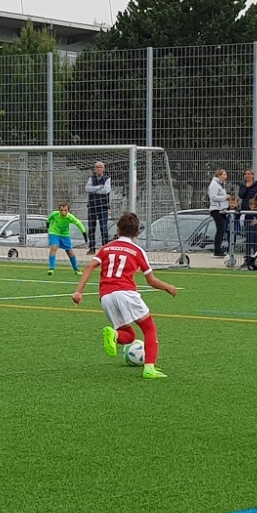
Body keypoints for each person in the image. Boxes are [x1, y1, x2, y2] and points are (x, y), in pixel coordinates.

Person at [71, 211, 177, 379]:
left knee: (129, 336)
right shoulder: (137, 251)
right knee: (149, 328)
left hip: (106, 297)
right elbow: (151, 280)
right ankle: (149, 368)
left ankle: (115, 335)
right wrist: (167, 287)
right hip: (126, 293)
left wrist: (79, 291)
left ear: (118, 230)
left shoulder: (106, 248)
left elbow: (89, 266)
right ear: (137, 233)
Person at [46, 202, 87, 276]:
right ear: (59, 210)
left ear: (68, 211)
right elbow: (49, 218)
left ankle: (76, 269)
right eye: (61, 210)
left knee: (69, 251)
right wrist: (47, 225)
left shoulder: (70, 217)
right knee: (54, 247)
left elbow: (78, 223)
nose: (63, 212)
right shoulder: (55, 214)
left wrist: (84, 234)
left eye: (65, 210)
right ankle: (51, 268)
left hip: (65, 235)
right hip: (54, 233)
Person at [84, 161, 111, 254]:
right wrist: (99, 187)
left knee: (103, 227)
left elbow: (106, 190)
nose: (98, 169)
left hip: (103, 207)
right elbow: (87, 189)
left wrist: (93, 189)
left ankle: (105, 248)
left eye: (100, 167)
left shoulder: (107, 178)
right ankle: (92, 248)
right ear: (94, 169)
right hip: (92, 206)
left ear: (104, 169)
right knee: (91, 228)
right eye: (97, 167)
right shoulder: (91, 178)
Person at [207, 169, 228, 257]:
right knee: (220, 229)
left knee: (222, 230)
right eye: (224, 175)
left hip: (221, 209)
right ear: (219, 175)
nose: (226, 177)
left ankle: (218, 249)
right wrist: (225, 197)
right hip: (216, 209)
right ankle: (217, 250)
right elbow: (213, 197)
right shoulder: (214, 184)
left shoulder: (221, 184)